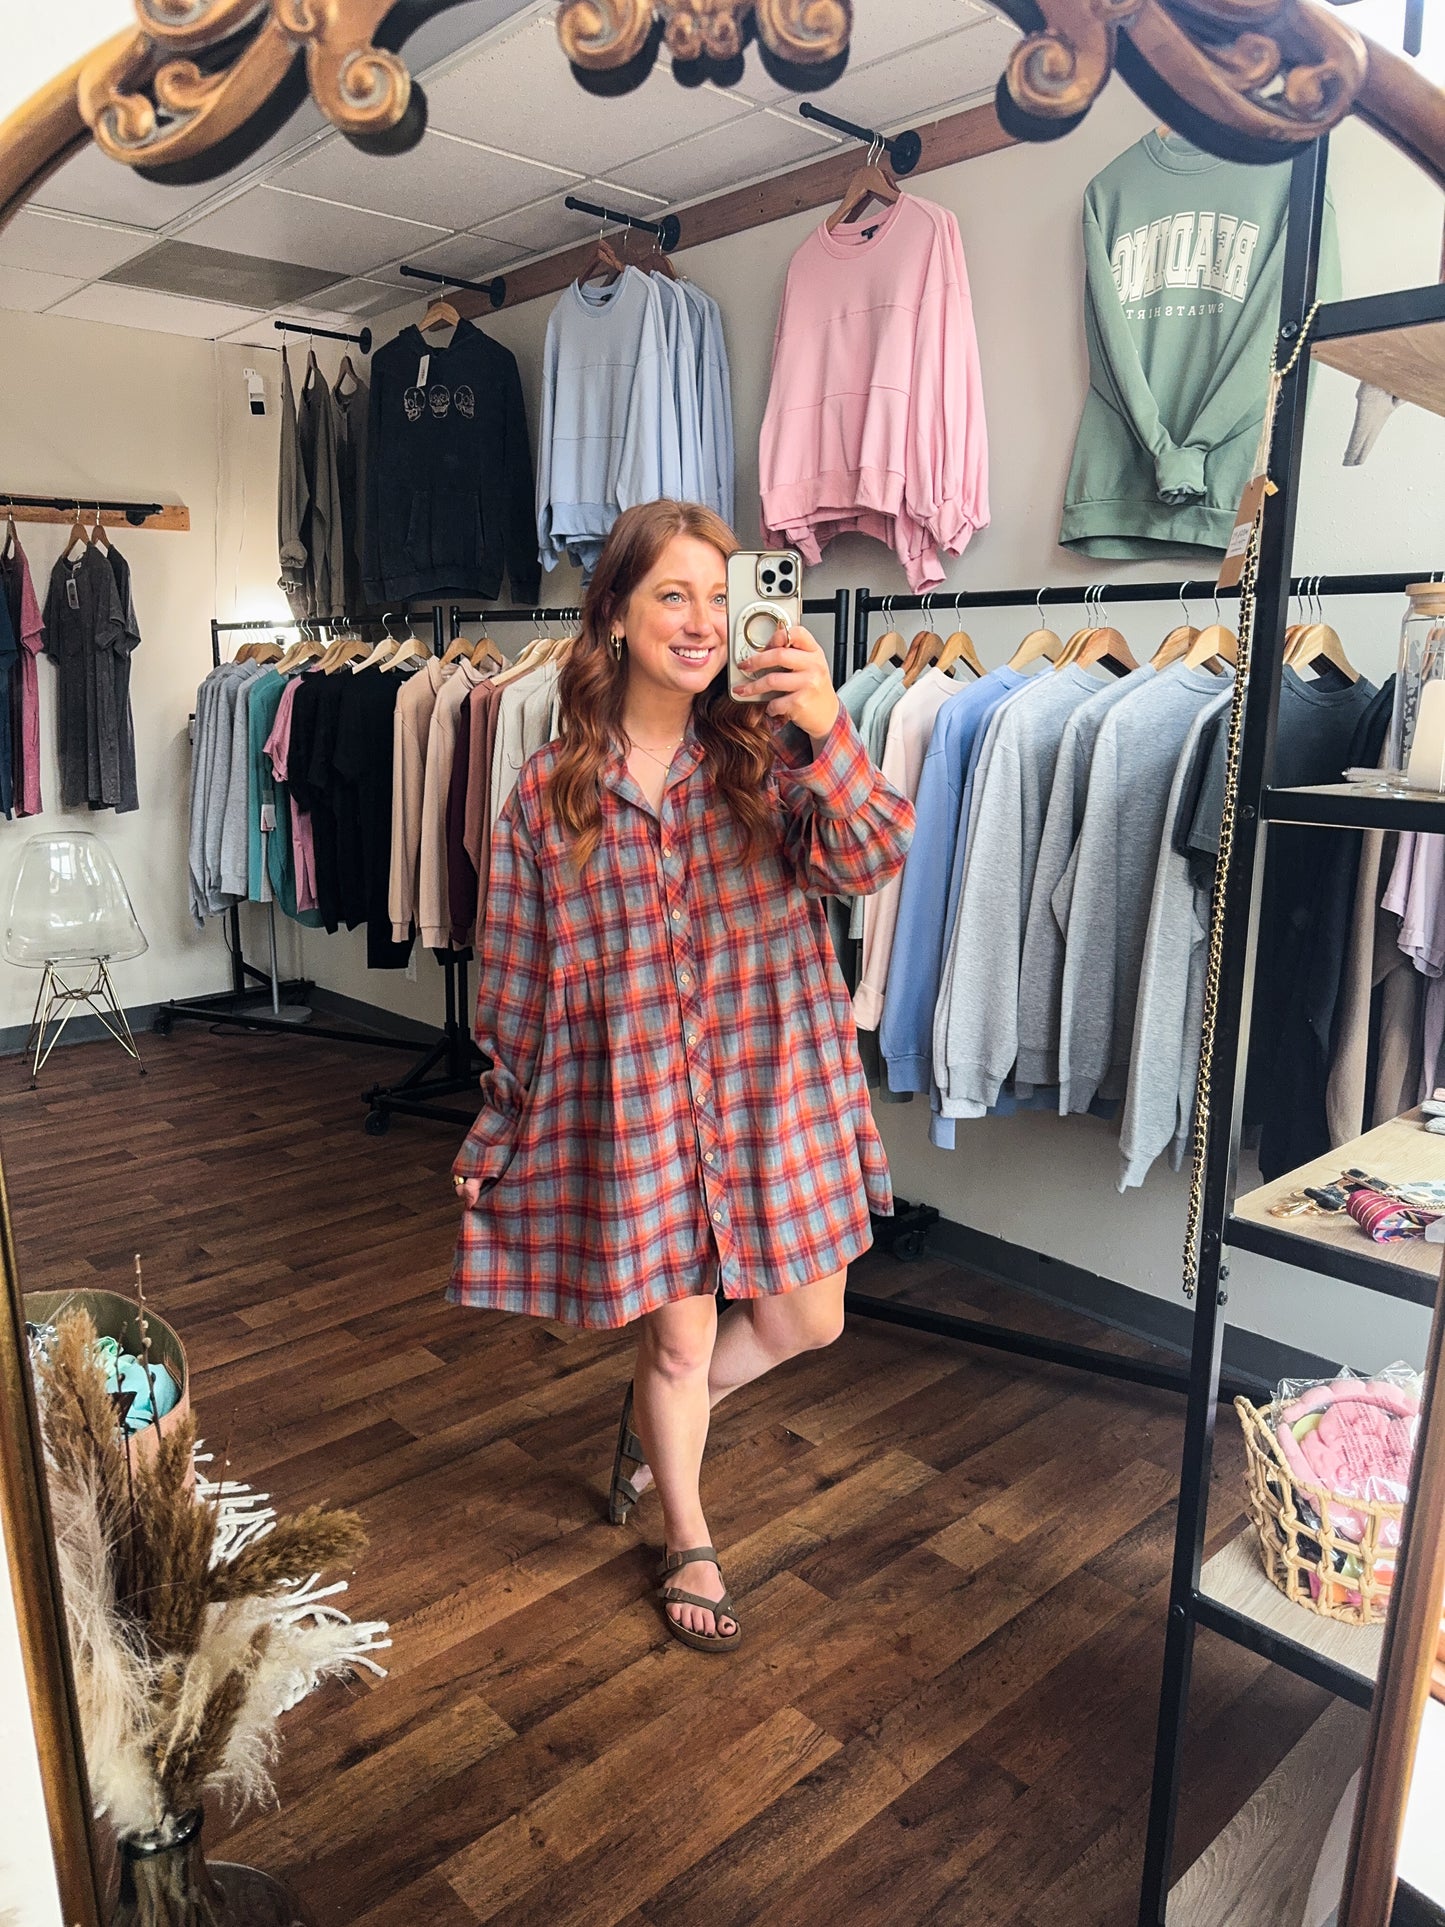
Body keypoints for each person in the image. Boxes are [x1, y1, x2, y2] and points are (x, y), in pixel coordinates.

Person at [449, 499, 914, 1653]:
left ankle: (667, 1421)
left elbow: (871, 858)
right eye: (672, 594)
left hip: (775, 1091)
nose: (702, 621)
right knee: (676, 1338)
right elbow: (512, 982)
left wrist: (822, 724)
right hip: (643, 1103)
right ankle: (687, 1533)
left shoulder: (765, 757)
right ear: (612, 616)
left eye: (719, 595)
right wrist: (493, 1131)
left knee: (811, 1318)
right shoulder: (547, 795)